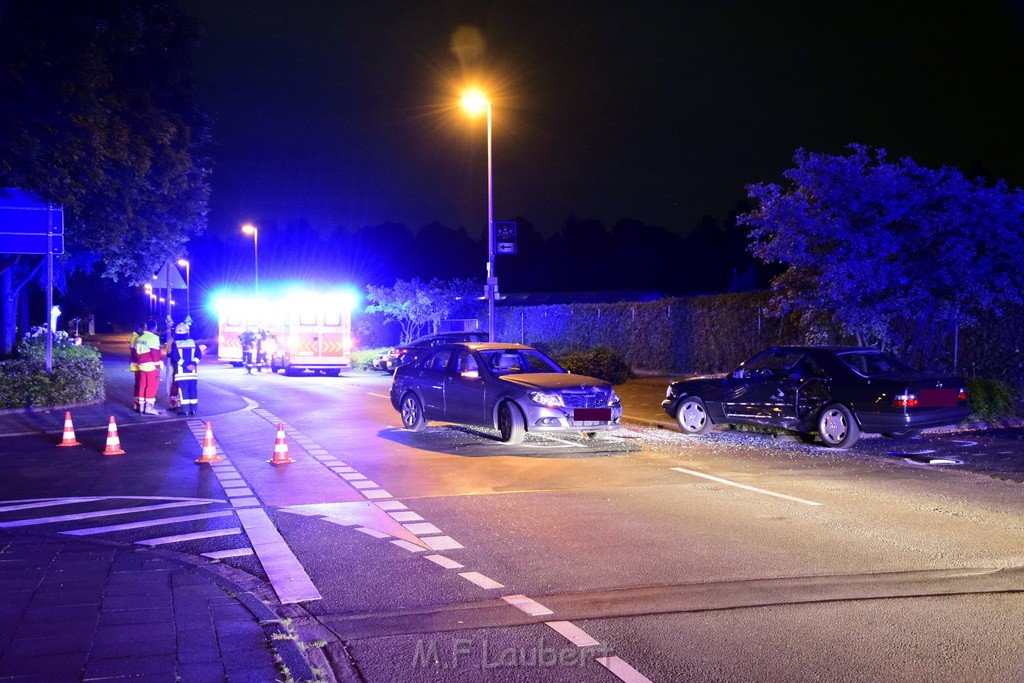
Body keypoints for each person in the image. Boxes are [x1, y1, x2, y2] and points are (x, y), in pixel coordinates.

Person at [169, 322, 202, 415]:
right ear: (187, 333)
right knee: (193, 390)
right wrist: (193, 364)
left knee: (184, 391)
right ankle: (194, 409)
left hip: (181, 374)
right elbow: (198, 355)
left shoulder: (175, 344)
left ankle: (185, 410)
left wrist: (185, 366)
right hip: (192, 373)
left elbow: (176, 357)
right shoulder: (193, 343)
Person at [134, 319, 162, 415]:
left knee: (142, 385)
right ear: (155, 327)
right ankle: (149, 408)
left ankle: (141, 407)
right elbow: (155, 353)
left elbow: (136, 353)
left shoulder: (140, 338)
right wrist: (158, 366)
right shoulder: (153, 338)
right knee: (152, 386)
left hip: (142, 366)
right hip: (151, 366)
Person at [128, 322, 144, 411]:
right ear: (139, 329)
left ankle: (136, 403)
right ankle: (138, 403)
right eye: (143, 329)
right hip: (138, 365)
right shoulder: (137, 338)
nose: (143, 330)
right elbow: (136, 353)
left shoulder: (134, 337)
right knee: (139, 384)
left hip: (135, 364)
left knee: (137, 384)